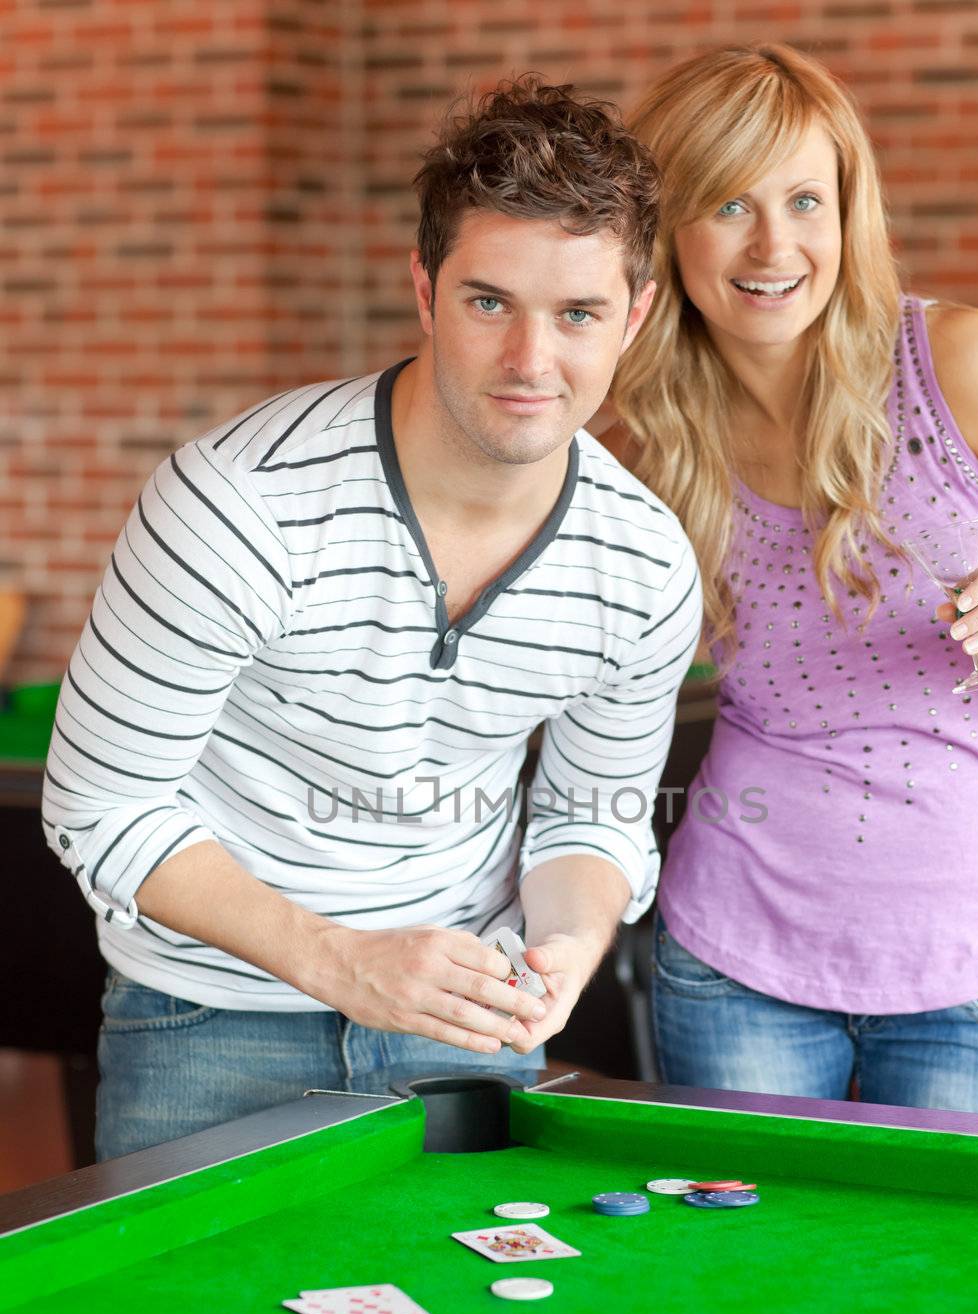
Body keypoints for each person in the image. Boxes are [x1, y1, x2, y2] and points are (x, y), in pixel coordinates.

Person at [42, 78, 702, 1159]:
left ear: (631, 314)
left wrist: (568, 948)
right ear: (424, 288)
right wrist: (342, 959)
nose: (532, 363)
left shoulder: (640, 563)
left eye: (576, 313)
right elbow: (96, 804)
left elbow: (592, 815)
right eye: (489, 302)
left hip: (467, 1020)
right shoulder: (236, 504)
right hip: (207, 1022)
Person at [605, 44, 978, 1117]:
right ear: (663, 230)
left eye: (804, 200)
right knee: (741, 1282)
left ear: (845, 215)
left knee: (955, 1287)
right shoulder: (648, 448)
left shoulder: (958, 365)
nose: (773, 245)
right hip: (730, 962)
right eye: (725, 203)